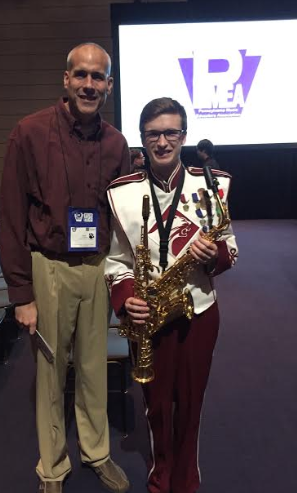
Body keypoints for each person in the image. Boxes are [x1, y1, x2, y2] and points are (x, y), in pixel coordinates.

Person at [0, 43, 131, 493]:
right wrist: (21, 294)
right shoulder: (29, 132)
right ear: (66, 79)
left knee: (94, 368)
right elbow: (13, 217)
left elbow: (121, 217)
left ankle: (97, 452)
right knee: (51, 374)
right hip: (48, 267)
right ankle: (52, 466)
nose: (89, 84)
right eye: (81, 75)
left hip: (95, 267)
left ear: (109, 86)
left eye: (98, 77)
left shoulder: (116, 143)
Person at [105, 98, 238, 493]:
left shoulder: (213, 184)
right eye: (153, 134)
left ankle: (186, 477)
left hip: (199, 310)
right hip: (149, 316)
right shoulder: (121, 193)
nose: (162, 142)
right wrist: (126, 297)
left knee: (191, 401)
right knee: (157, 405)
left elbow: (230, 246)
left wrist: (213, 254)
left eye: (171, 133)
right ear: (142, 138)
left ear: (183, 135)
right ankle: (161, 473)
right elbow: (115, 261)